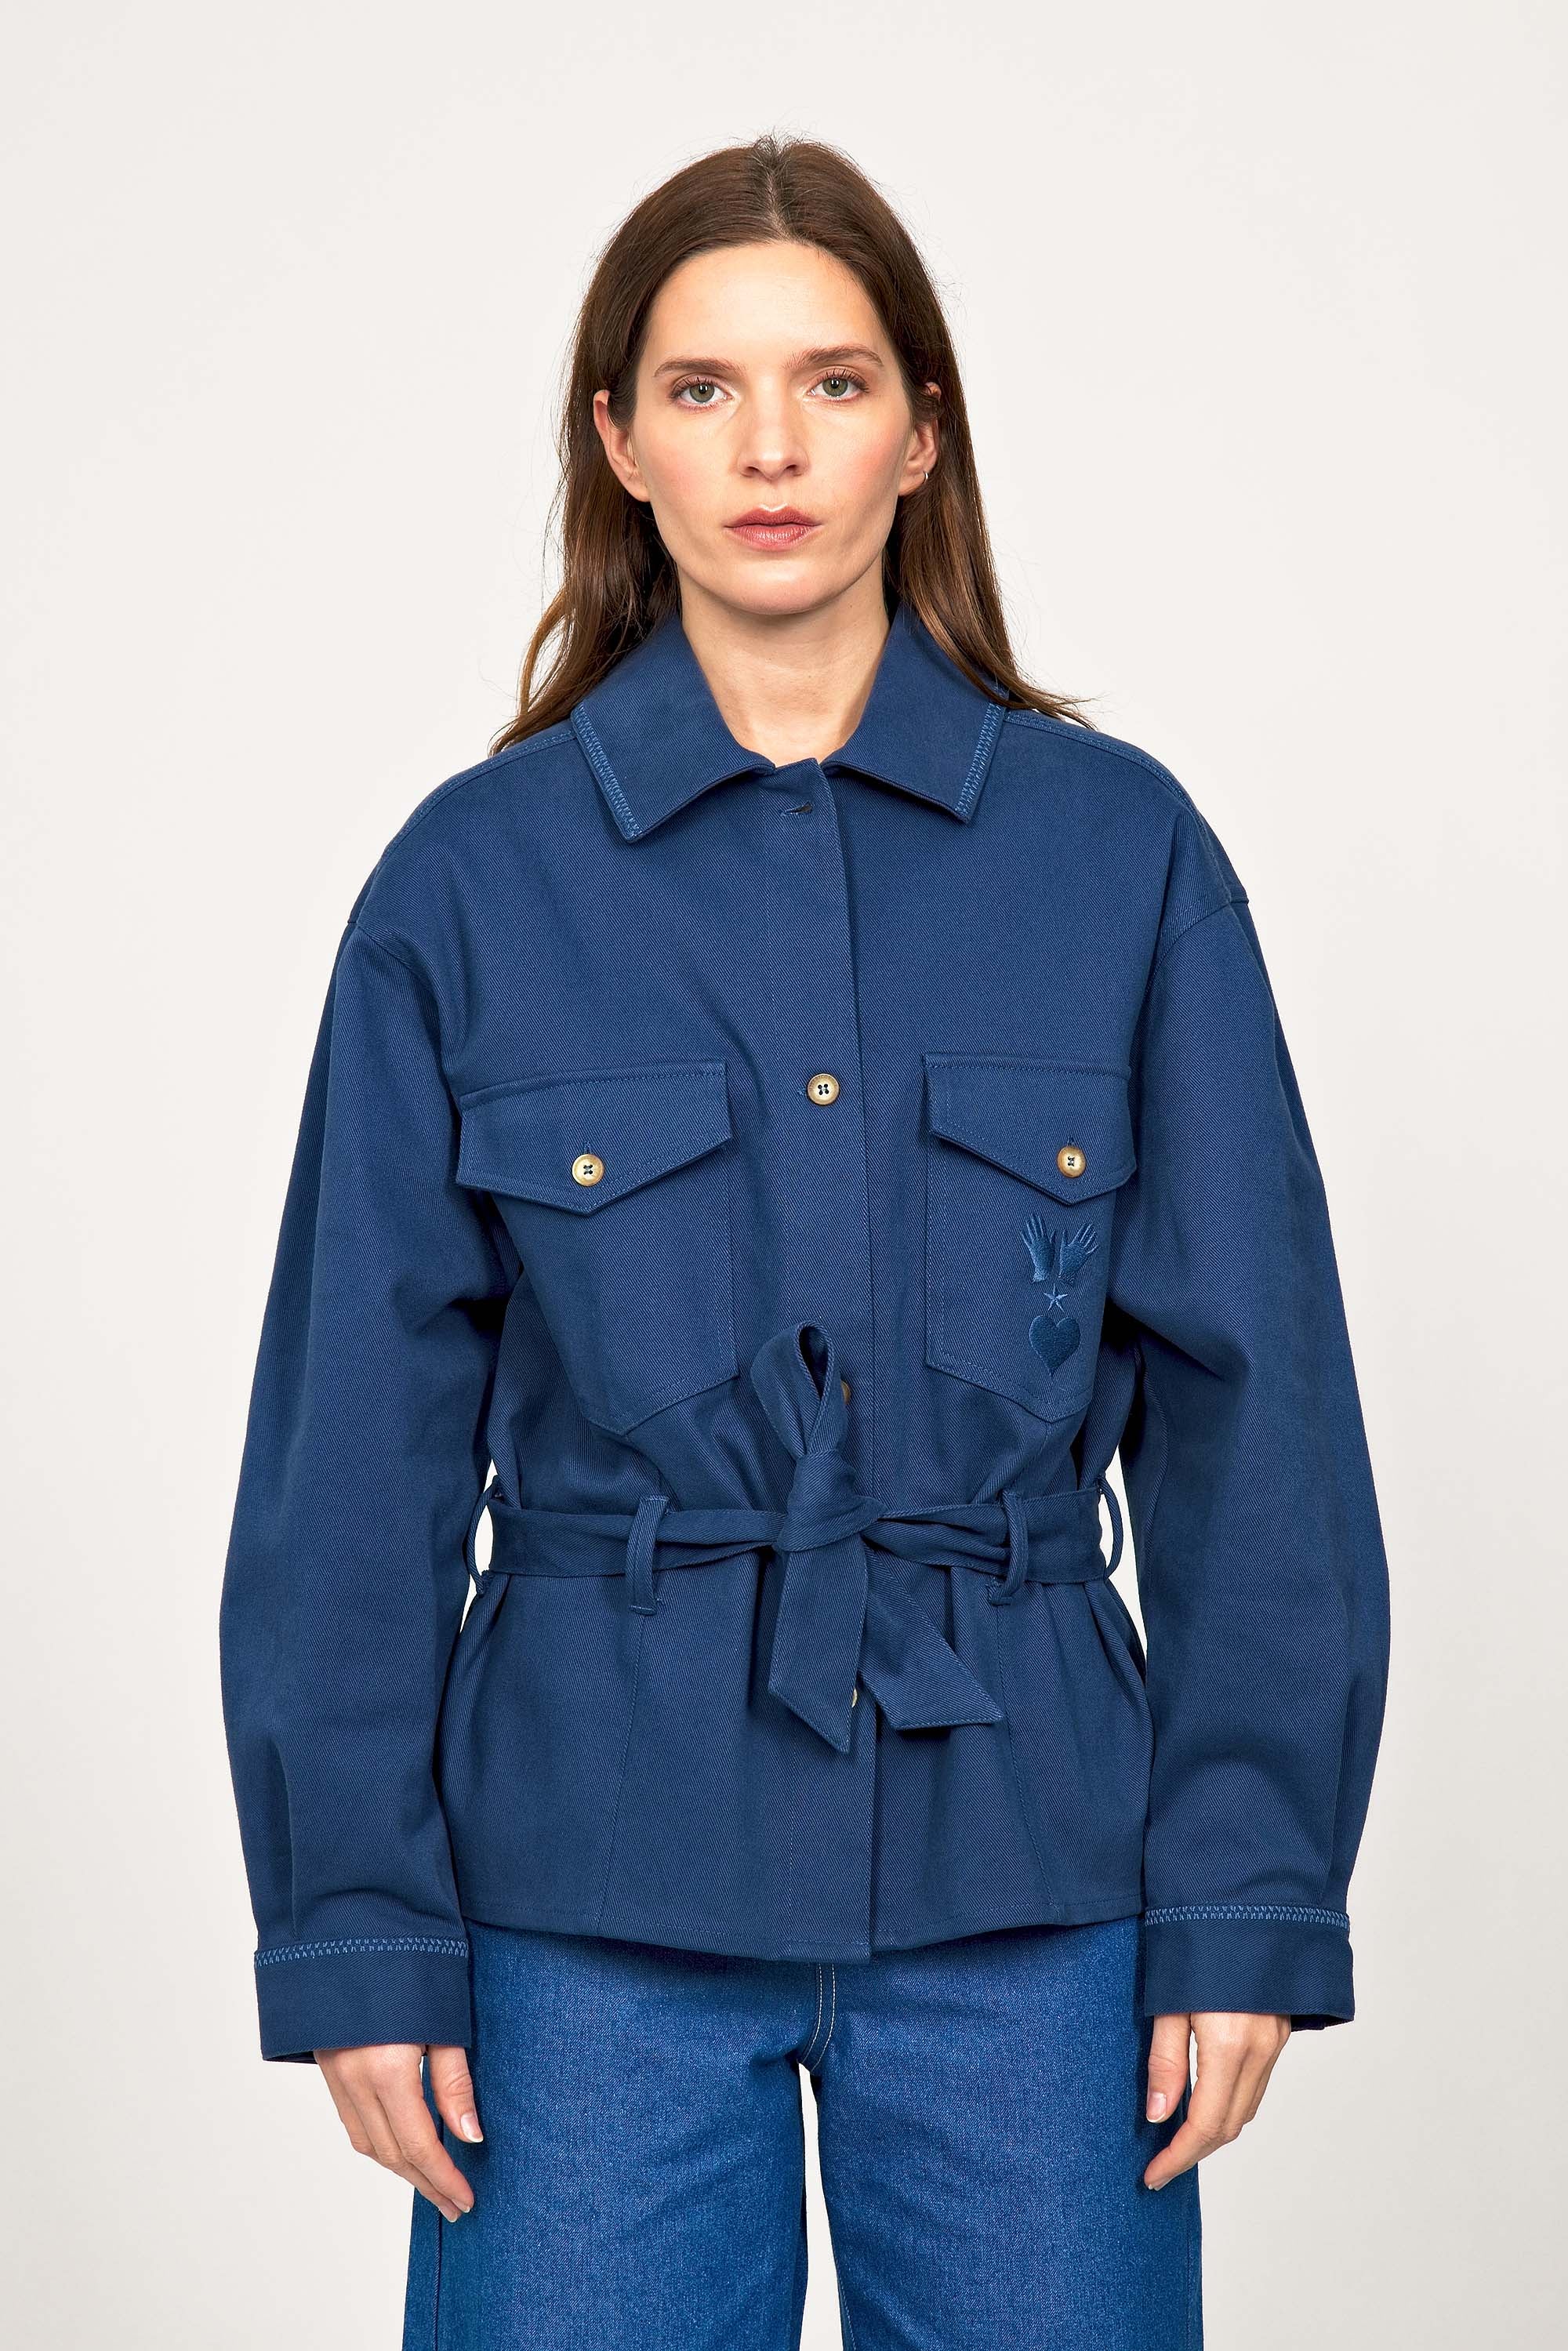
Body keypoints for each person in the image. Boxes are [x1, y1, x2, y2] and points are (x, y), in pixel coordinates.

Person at [218, 132, 1391, 2351]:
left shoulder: (1124, 860)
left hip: (1038, 1892)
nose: (771, 448)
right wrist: (357, 1924)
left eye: (834, 383)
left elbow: (1261, 1411)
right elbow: (352, 1447)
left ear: (921, 433)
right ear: (620, 442)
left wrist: (1248, 1893)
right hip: (583, 1905)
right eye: (704, 388)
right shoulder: (468, 887)